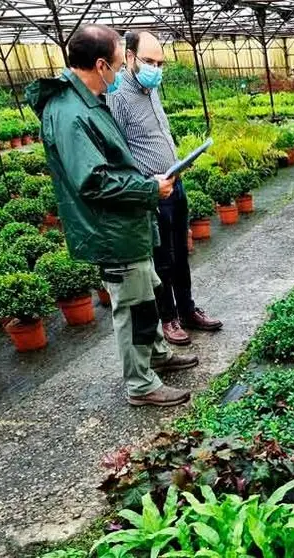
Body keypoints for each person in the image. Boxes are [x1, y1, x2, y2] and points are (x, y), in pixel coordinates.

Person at [25, 24, 198, 407]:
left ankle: (155, 356)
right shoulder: (69, 113)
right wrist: (151, 189)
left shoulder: (87, 102)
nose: (122, 73)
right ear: (101, 64)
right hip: (111, 229)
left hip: (128, 223)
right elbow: (94, 182)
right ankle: (141, 384)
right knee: (132, 307)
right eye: (119, 66)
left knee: (146, 293)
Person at [107, 30, 223, 346]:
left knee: (181, 253)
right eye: (148, 61)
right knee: (162, 259)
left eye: (160, 63)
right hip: (152, 192)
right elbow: (116, 153)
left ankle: (187, 309)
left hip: (175, 184)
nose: (156, 69)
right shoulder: (117, 98)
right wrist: (146, 184)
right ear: (129, 57)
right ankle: (168, 318)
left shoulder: (152, 89)